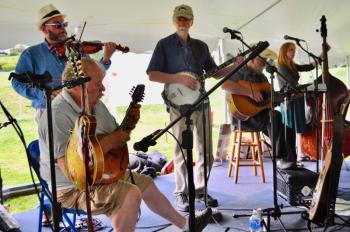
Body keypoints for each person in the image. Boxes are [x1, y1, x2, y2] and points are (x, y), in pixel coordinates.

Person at [38, 58, 212, 232]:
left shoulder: (95, 104)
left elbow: (117, 136)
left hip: (101, 172)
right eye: (98, 84)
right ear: (77, 86)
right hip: (72, 188)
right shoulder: (56, 115)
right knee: (130, 193)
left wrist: (128, 125)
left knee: (145, 183)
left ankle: (186, 225)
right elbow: (72, 172)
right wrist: (108, 142)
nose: (103, 89)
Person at [147, 4, 235, 212]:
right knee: (182, 151)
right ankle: (181, 193)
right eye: (179, 19)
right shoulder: (164, 45)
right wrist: (179, 78)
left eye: (186, 19)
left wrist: (236, 65)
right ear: (174, 20)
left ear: (192, 21)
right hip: (178, 107)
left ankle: (202, 191)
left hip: (201, 103)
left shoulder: (201, 46)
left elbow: (214, 72)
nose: (183, 22)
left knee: (205, 151)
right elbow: (153, 74)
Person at [12, 3, 117, 123]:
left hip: (80, 108)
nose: (63, 28)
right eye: (57, 25)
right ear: (44, 29)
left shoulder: (75, 48)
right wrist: (44, 94)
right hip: (50, 110)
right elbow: (17, 83)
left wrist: (106, 59)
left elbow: (92, 75)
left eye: (64, 24)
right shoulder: (31, 54)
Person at [221, 50, 298, 170]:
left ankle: (291, 163)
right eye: (261, 60)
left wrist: (284, 97)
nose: (264, 64)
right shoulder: (240, 71)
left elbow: (268, 101)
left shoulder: (262, 77)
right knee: (275, 116)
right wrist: (250, 93)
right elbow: (225, 85)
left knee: (288, 129)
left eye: (265, 61)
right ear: (250, 60)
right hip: (244, 118)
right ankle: (279, 159)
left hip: (262, 117)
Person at [276, 42, 321, 164]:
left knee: (294, 129)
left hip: (297, 100)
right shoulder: (282, 67)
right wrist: (306, 87)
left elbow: (308, 67)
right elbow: (291, 83)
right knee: (289, 130)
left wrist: (321, 57)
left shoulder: (292, 65)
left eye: (294, 49)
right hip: (289, 102)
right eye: (291, 50)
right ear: (284, 52)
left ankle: (294, 159)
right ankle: (291, 159)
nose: (293, 52)